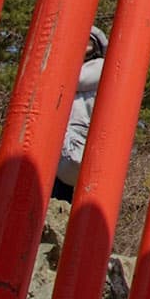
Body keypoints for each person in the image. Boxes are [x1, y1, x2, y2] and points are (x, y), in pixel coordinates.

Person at [52, 26, 107, 203]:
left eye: (87, 42)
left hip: (76, 130)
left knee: (64, 181)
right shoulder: (74, 66)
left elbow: (74, 80)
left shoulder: (99, 66)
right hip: (62, 129)